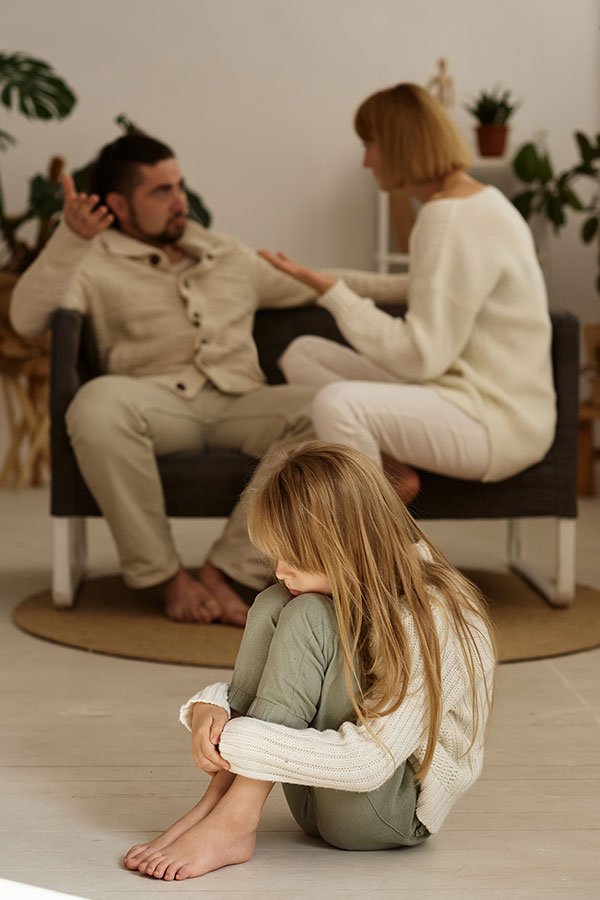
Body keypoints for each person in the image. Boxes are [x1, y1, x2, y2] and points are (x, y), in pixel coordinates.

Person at [10, 133, 405, 624]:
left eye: (180, 185)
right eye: (161, 191)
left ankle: (229, 571)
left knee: (326, 409)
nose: (180, 200)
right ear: (120, 205)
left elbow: (315, 280)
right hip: (153, 404)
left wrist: (425, 284)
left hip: (242, 402)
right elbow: (25, 318)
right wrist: (70, 239)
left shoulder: (225, 254)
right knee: (94, 405)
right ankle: (165, 577)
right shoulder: (89, 262)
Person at [123, 441, 496, 882]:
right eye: (277, 555)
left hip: (386, 809)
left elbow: (368, 764)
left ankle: (235, 818)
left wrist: (236, 737)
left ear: (348, 546)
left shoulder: (432, 615)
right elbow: (291, 680)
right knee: (274, 602)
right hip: (317, 798)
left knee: (306, 614)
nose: (281, 569)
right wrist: (215, 707)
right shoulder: (347, 586)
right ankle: (218, 804)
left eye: (295, 557)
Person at [258, 82, 556, 504]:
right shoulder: (480, 202)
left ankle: (378, 538)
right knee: (302, 354)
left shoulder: (448, 217)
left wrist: (337, 296)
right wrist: (321, 282)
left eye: (369, 145)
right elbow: (429, 290)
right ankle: (390, 473)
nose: (365, 161)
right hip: (468, 393)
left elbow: (419, 357)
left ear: (396, 145)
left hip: (496, 420)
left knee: (338, 404)